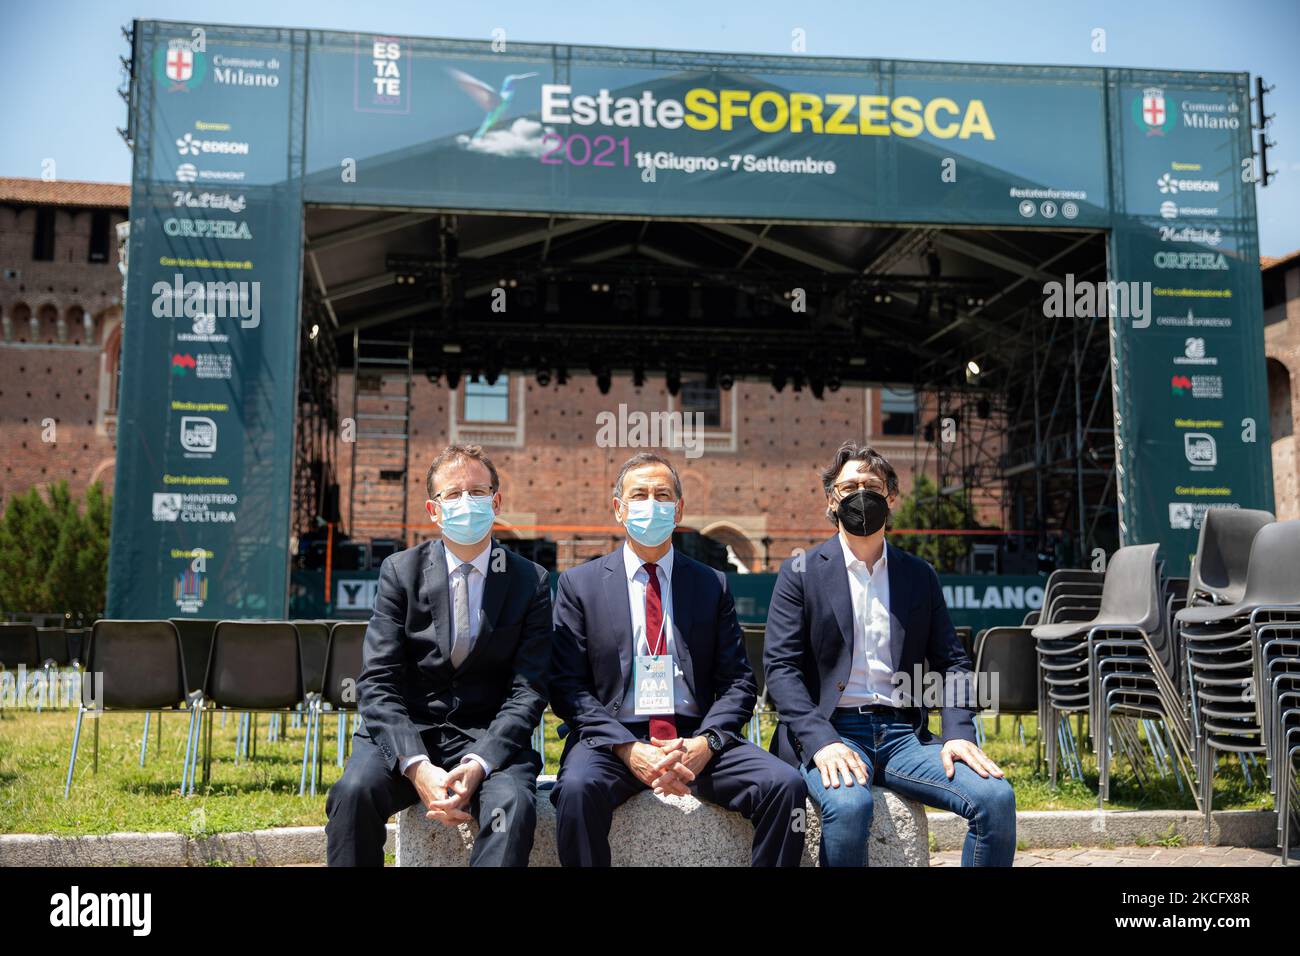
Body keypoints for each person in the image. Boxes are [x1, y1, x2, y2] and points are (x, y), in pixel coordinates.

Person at [764, 441, 1016, 867]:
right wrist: (821, 742)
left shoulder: (919, 575)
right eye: (848, 487)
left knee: (996, 798)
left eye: (872, 485)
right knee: (849, 807)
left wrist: (957, 732)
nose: (860, 494)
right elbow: (781, 669)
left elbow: (951, 663)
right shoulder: (800, 572)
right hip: (833, 730)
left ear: (891, 497)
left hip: (903, 736)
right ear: (831, 499)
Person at [549, 452, 806, 867]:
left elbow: (739, 681)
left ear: (679, 509)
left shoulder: (710, 584)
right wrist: (628, 748)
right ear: (619, 509)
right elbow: (566, 686)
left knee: (785, 785)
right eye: (640, 495)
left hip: (695, 736)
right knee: (576, 791)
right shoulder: (580, 585)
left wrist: (707, 743)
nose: (651, 504)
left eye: (662, 494)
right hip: (614, 739)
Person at [325, 443, 552, 866]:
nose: (467, 502)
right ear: (434, 510)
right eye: (453, 494)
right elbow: (377, 681)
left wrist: (483, 761)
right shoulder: (401, 571)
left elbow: (530, 689)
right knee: (352, 795)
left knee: (513, 807)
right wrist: (416, 766)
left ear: (496, 501)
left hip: (489, 737)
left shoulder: (530, 581)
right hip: (410, 729)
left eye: (478, 492)